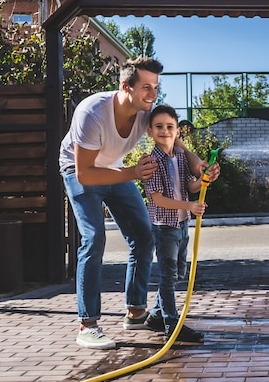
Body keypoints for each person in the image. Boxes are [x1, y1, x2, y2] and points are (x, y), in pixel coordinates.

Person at [59, 56, 219, 349]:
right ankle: (88, 324)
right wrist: (132, 173)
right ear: (125, 86)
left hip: (117, 171)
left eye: (155, 87)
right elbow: (85, 173)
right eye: (146, 87)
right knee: (94, 239)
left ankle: (135, 311)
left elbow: (178, 144)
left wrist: (199, 168)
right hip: (80, 171)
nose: (153, 94)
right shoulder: (91, 112)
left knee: (144, 238)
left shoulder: (147, 114)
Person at [142, 105, 206, 342]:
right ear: (150, 131)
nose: (164, 131)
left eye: (170, 127)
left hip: (181, 224)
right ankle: (172, 324)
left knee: (176, 273)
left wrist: (204, 180)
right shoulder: (151, 161)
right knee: (168, 276)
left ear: (177, 131)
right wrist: (189, 206)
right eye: (158, 126)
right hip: (164, 226)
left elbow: (190, 186)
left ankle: (156, 316)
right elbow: (158, 199)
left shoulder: (179, 157)